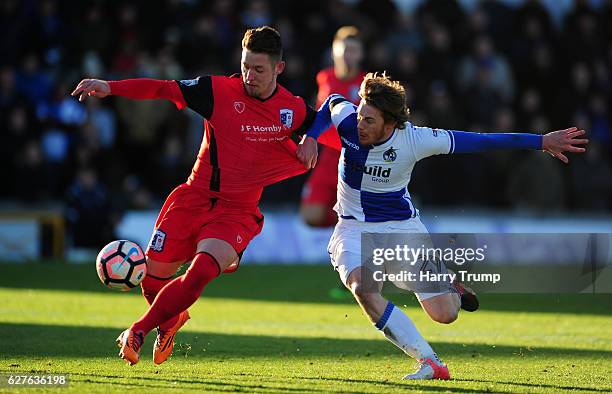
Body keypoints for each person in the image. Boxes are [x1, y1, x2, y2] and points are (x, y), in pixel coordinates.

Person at [297, 72, 587, 380]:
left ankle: (449, 284)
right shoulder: (349, 122)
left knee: (445, 314)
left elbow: (480, 142)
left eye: (369, 120)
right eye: (360, 115)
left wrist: (540, 141)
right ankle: (430, 362)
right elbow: (331, 103)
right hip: (352, 228)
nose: (359, 125)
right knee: (362, 288)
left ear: (391, 123)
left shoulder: (415, 139)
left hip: (402, 230)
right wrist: (312, 136)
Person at [71, 26, 317, 366]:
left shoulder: (292, 108)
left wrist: (314, 135)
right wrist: (110, 87)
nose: (249, 75)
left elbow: (329, 121)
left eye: (258, 69)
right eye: (245, 65)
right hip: (193, 198)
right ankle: (170, 322)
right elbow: (161, 88)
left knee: (200, 271)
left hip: (237, 210)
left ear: (279, 68)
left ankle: (138, 331)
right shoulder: (216, 90)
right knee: (152, 281)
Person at [300, 26, 365, 228]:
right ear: (333, 51)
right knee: (310, 215)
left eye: (353, 50)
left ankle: (354, 228)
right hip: (328, 156)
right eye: (343, 49)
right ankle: (347, 225)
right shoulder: (324, 78)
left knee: (358, 210)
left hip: (355, 158)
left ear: (360, 54)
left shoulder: (367, 83)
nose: (347, 55)